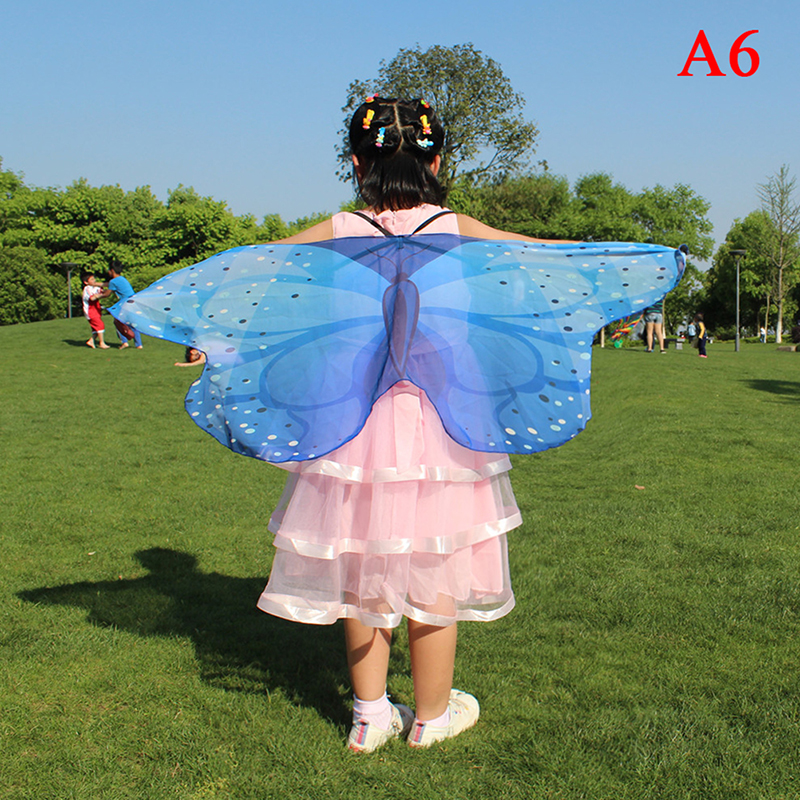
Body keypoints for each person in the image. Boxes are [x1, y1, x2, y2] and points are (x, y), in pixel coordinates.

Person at [252, 97, 581, 753]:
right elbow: (545, 255)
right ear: (436, 162)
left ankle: (369, 715)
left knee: (362, 562)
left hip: (355, 421)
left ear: (356, 163)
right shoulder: (452, 226)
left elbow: (258, 263)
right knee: (436, 562)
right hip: (440, 424)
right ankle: (431, 716)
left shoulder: (340, 228)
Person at [100, 263, 143, 349]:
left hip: (125, 303)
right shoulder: (122, 279)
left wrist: (97, 296)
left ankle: (124, 342)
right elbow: (108, 286)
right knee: (132, 323)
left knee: (118, 322)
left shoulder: (113, 281)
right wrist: (94, 284)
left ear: (112, 271)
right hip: (132, 301)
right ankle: (139, 344)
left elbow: (107, 294)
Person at [81, 272, 110, 349]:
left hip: (96, 309)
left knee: (96, 329)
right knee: (100, 325)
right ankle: (102, 343)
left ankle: (91, 341)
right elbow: (92, 298)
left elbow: (103, 290)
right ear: (86, 282)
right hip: (90, 311)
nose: (94, 280)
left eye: (94, 278)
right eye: (91, 279)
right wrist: (100, 295)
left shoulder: (95, 288)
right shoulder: (87, 289)